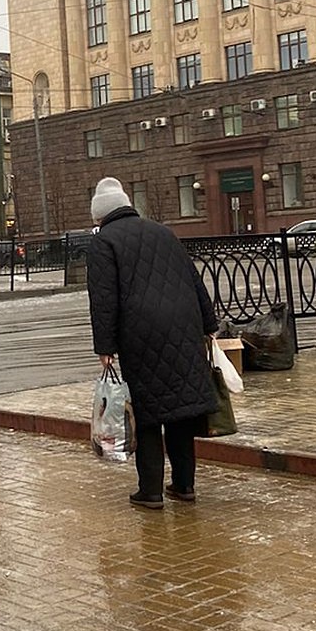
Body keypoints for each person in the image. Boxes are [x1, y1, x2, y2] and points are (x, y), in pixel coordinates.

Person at [86, 177, 219, 510]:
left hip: (141, 334)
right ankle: (185, 486)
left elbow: (104, 300)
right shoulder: (164, 232)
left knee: (147, 415)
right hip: (183, 329)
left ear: (101, 215)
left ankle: (151, 492)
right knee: (180, 412)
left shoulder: (104, 243)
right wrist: (209, 325)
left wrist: (105, 347)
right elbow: (193, 279)